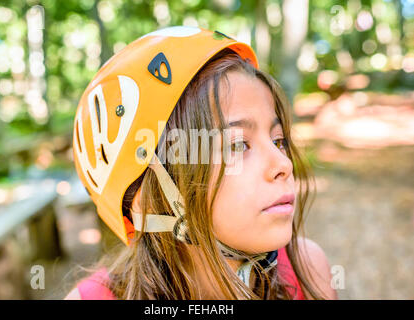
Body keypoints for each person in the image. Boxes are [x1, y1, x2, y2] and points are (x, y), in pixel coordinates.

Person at [65, 26, 337, 300]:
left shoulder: (308, 270)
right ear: (146, 202)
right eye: (238, 145)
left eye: (278, 141)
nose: (283, 164)